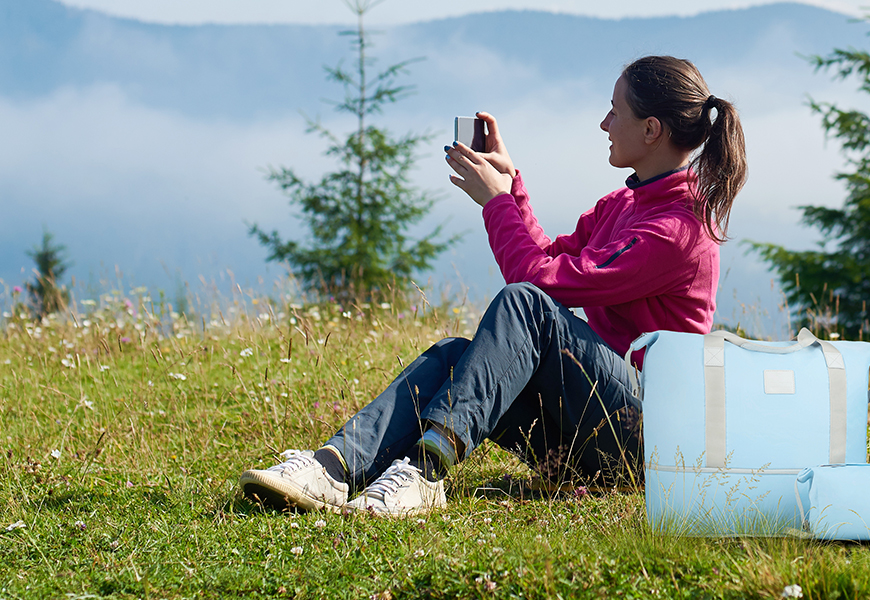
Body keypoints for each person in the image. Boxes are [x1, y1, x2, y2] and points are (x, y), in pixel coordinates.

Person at [239, 55, 746, 516]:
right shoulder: (626, 205)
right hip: (595, 420)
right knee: (454, 356)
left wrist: (496, 204)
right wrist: (511, 186)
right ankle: (333, 468)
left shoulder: (679, 230)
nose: (604, 123)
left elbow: (537, 285)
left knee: (523, 304)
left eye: (615, 111)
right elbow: (550, 261)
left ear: (652, 129)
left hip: (649, 442)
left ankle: (425, 472)